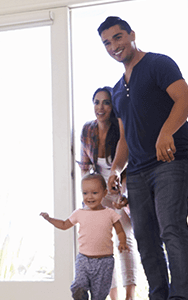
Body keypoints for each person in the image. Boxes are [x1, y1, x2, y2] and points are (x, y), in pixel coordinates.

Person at [97, 16, 188, 300]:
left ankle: (180, 297)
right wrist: (116, 169)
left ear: (132, 34)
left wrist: (166, 133)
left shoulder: (158, 64)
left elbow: (186, 99)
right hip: (138, 172)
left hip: (170, 161)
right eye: (107, 42)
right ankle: (158, 295)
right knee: (145, 238)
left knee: (171, 228)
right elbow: (126, 136)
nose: (114, 45)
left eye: (118, 37)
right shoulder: (117, 91)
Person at [78, 86, 139, 300]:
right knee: (103, 247)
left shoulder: (121, 131)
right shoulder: (88, 130)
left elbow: (131, 166)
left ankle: (130, 295)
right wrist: (89, 200)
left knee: (125, 240)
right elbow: (85, 168)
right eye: (96, 102)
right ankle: (112, 295)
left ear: (113, 106)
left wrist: (123, 196)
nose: (100, 107)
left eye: (106, 102)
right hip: (101, 194)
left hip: (124, 190)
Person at [41, 173, 129, 300]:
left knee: (99, 295)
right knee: (79, 286)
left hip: (105, 262)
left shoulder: (110, 213)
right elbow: (64, 224)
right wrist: (49, 219)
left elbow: (120, 231)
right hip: (84, 260)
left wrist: (122, 242)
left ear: (104, 193)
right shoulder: (79, 213)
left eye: (94, 192)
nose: (89, 197)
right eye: (85, 193)